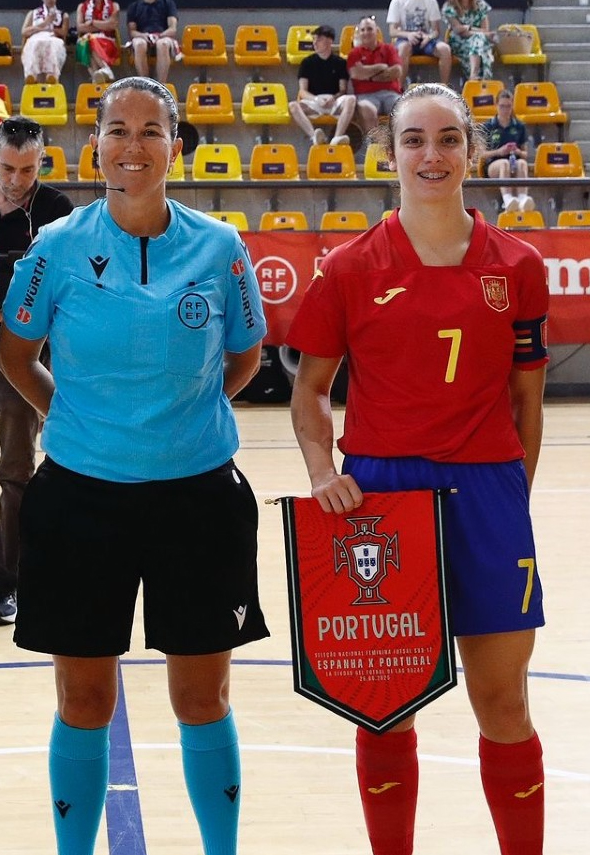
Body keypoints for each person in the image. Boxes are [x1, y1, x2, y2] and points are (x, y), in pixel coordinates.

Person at [0, 77, 270, 855]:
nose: (134, 145)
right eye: (118, 129)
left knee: (203, 698)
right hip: (81, 500)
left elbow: (246, 356)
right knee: (83, 699)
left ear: (176, 147)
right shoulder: (55, 248)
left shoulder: (221, 247)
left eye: (152, 130)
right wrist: (72, 417)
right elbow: (16, 354)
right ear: (95, 147)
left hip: (200, 499)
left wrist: (185, 416)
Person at [287, 82, 547, 855]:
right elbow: (309, 389)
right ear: (389, 152)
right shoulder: (349, 267)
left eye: (448, 139)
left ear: (471, 149)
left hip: (489, 492)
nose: (432, 155)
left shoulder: (520, 265)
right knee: (384, 706)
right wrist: (321, 468)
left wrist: (513, 496)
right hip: (383, 494)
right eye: (414, 140)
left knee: (504, 702)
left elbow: (527, 400)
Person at [0, 115, 73, 626]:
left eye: (28, 170)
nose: (16, 179)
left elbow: (60, 288)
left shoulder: (56, 210)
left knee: (16, 468)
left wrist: (8, 316)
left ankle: (7, 581)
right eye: (7, 168)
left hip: (24, 351)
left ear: (41, 161)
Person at [289, 24, 357, 147]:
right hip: (314, 102)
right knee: (293, 106)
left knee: (351, 99)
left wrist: (333, 98)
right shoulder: (306, 63)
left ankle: (336, 137)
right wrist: (316, 99)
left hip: (334, 102)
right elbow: (302, 91)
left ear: (330, 41)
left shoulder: (340, 63)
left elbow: (343, 90)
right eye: (314, 39)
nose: (315, 43)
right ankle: (314, 137)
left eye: (319, 39)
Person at [348, 16, 403, 133]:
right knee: (367, 109)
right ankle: (373, 144)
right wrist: (381, 67)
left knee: (403, 108)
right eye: (362, 30)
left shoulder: (389, 49)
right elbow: (356, 73)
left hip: (391, 94)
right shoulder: (354, 53)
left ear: (376, 31)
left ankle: (398, 143)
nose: (366, 33)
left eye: (369, 29)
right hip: (365, 96)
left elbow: (396, 72)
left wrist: (367, 74)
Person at [481, 88, 533, 212]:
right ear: (496, 105)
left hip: (514, 162)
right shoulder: (488, 126)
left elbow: (525, 154)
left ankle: (522, 199)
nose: (505, 110)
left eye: (508, 106)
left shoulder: (519, 126)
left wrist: (517, 151)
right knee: (504, 164)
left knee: (522, 163)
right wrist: (499, 152)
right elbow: (481, 154)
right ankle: (508, 199)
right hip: (494, 164)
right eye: (502, 106)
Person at [387, 0, 453, 84]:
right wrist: (408, 35)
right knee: (404, 48)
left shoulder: (431, 2)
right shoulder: (396, 2)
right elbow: (392, 31)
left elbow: (436, 31)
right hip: (405, 38)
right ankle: (398, 88)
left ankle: (444, 87)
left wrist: (428, 37)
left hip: (426, 39)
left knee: (445, 49)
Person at [125, 0, 181, 85]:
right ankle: (145, 84)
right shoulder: (134, 6)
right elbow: (132, 32)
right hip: (142, 37)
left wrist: (159, 36)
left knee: (163, 44)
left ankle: (161, 85)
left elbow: (172, 29)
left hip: (163, 36)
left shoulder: (168, 4)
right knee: (139, 44)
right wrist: (143, 36)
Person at [443, 0, 495, 80]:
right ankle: (480, 78)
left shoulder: (480, 4)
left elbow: (485, 30)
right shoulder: (449, 7)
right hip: (459, 41)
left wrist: (466, 28)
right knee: (480, 42)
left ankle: (474, 77)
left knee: (480, 41)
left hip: (480, 41)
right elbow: (459, 31)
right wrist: (477, 31)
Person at [20, 0, 70, 85]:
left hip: (53, 38)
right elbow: (24, 32)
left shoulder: (63, 15)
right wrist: (45, 23)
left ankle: (52, 75)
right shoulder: (33, 13)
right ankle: (32, 76)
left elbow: (64, 32)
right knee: (34, 44)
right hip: (36, 38)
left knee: (52, 45)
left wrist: (52, 30)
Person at [75, 0, 120, 84]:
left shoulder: (114, 5)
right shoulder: (81, 6)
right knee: (85, 41)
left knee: (89, 40)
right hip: (88, 41)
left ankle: (101, 72)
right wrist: (104, 25)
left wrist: (93, 22)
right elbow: (80, 28)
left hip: (107, 42)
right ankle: (100, 75)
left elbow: (113, 25)